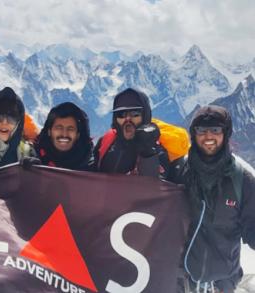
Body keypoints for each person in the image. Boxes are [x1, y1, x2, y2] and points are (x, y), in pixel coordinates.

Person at [176, 105, 255, 293]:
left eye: (216, 130)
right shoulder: (179, 172)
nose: (208, 136)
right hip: (180, 281)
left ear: (226, 134)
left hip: (222, 284)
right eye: (202, 130)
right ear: (193, 134)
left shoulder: (242, 180)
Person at [92, 88, 170, 178]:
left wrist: (147, 153)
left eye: (134, 113)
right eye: (121, 114)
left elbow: (155, 186)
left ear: (145, 116)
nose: (127, 119)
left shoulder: (157, 151)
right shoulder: (105, 142)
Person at [34, 102, 93, 170]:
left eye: (70, 129)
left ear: (78, 135)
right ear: (49, 131)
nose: (64, 134)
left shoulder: (93, 165)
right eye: (59, 128)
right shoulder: (33, 153)